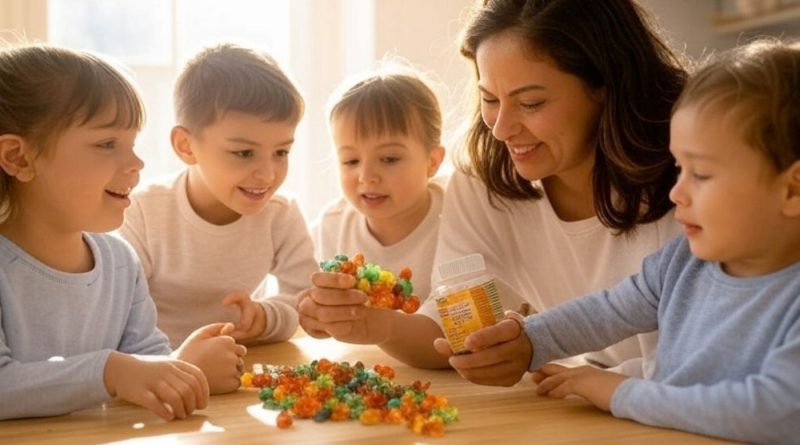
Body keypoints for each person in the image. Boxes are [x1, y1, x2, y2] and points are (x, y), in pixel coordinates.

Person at [442, 39, 800, 444]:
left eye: (700, 174)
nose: (676, 193)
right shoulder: (682, 262)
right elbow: (606, 311)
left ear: (793, 190)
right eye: (679, 168)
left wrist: (618, 391)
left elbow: (770, 413)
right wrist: (529, 340)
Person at [298, 0, 686, 371]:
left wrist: (594, 381)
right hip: (578, 400)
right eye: (489, 99)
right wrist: (374, 325)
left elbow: (707, 358)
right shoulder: (486, 177)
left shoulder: (688, 174)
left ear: (604, 84)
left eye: (531, 103)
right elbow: (453, 330)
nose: (501, 129)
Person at [0, 44, 245, 421]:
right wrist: (110, 371)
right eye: (107, 144)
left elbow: (145, 362)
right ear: (19, 158)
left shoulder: (119, 261)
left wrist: (183, 366)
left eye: (132, 144)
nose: (136, 163)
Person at [119, 44, 318, 347]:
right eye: (244, 153)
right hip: (160, 371)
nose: (267, 174)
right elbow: (122, 321)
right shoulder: (142, 211)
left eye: (281, 152)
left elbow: (304, 301)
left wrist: (265, 318)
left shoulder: (280, 213)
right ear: (186, 146)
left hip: (241, 367)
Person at [309, 68, 446, 311]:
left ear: (432, 161)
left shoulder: (457, 219)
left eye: (389, 159)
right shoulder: (331, 227)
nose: (366, 177)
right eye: (351, 161)